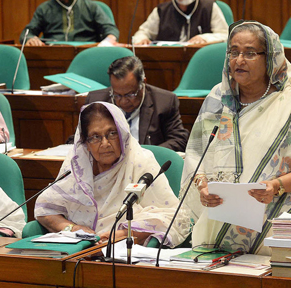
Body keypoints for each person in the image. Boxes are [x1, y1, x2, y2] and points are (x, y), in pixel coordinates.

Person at [180, 21, 291, 255]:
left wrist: (275, 186)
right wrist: (202, 185)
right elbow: (198, 152)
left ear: (271, 59)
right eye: (233, 52)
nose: (239, 60)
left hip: (275, 223)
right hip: (217, 224)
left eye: (250, 53)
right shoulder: (218, 98)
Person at [35, 102, 187, 246]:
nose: (105, 143)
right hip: (79, 248)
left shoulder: (141, 160)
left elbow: (172, 217)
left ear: (123, 134)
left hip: (125, 252)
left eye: (112, 133)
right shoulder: (77, 164)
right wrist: (72, 228)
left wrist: (123, 234)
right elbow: (46, 209)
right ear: (86, 143)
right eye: (95, 137)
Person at [85, 56, 189, 151]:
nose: (123, 101)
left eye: (130, 94)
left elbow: (179, 139)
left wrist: (146, 154)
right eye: (117, 95)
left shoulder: (164, 101)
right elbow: (78, 139)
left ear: (143, 83)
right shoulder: (96, 101)